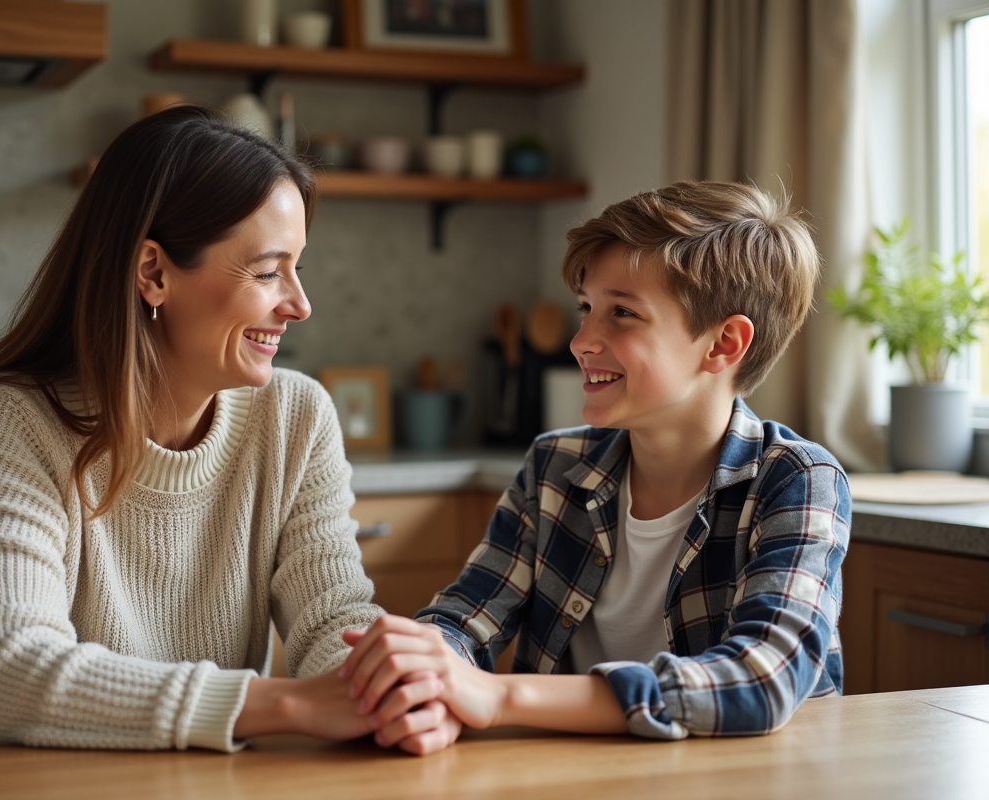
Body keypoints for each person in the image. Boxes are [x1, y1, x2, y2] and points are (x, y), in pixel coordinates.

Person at [0, 105, 452, 755]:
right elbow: (10, 678)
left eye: (298, 267)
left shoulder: (297, 416)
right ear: (154, 273)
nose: (300, 305)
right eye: (268, 271)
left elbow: (331, 621)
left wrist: (390, 692)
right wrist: (286, 703)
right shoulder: (16, 418)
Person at [340, 181, 850, 748]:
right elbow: (468, 617)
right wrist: (427, 670)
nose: (581, 339)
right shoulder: (554, 464)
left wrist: (499, 695)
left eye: (623, 313)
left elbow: (763, 678)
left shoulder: (797, 480)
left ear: (723, 343)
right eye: (586, 308)